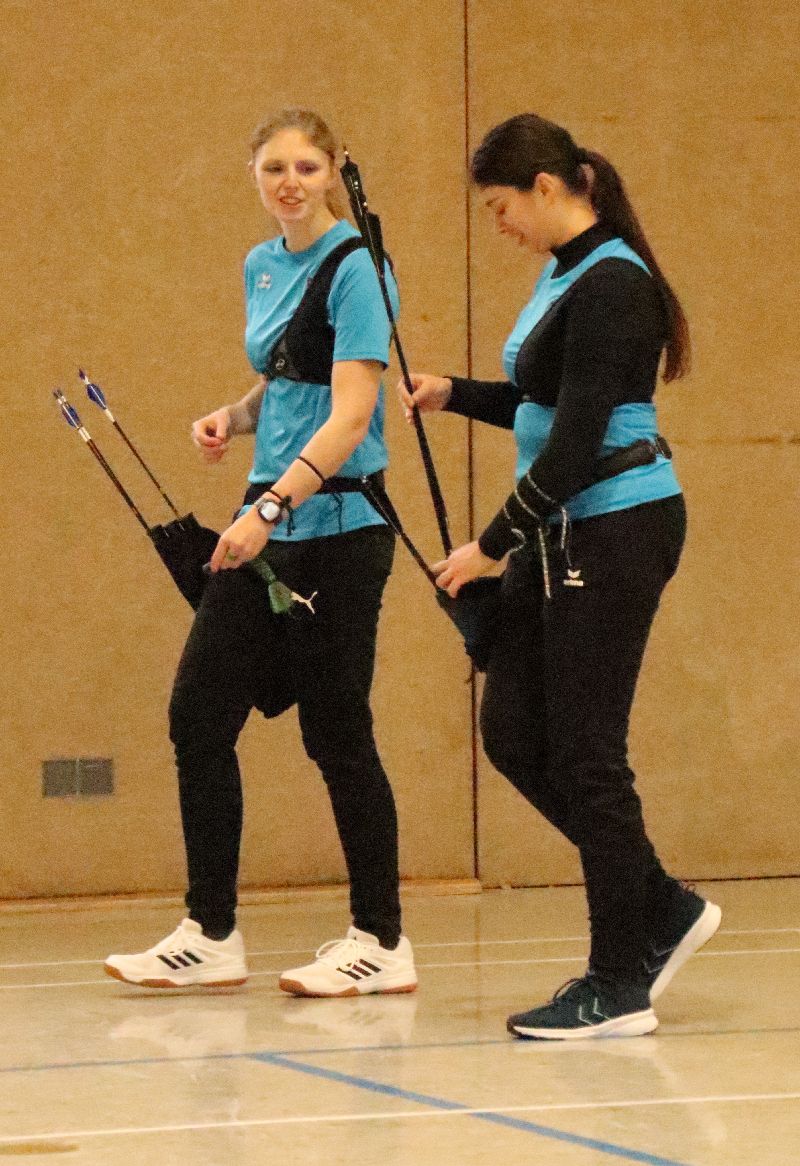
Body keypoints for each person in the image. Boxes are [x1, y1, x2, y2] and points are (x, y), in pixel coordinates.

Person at [401, 113, 720, 1039]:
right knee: (513, 733)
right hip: (566, 533)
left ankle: (618, 983)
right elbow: (545, 400)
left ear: (546, 187)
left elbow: (578, 443)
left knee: (587, 753)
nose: (498, 224)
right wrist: (454, 394)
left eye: (501, 206)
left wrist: (489, 545)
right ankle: (658, 903)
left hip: (614, 531)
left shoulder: (616, 283)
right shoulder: (566, 271)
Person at [105, 108, 416, 998]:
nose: (289, 182)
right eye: (274, 167)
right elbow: (288, 374)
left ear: (334, 171)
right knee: (197, 716)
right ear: (253, 173)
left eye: (307, 167)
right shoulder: (262, 263)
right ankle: (210, 933)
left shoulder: (358, 268)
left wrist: (272, 505)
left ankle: (381, 940)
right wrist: (235, 416)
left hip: (338, 527)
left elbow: (351, 414)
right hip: (266, 517)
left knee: (336, 733)